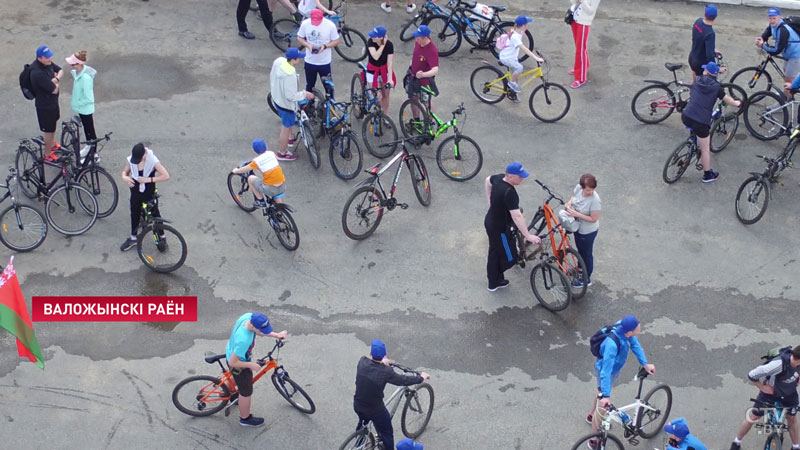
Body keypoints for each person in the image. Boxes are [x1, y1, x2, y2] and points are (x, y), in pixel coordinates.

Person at [587, 315, 655, 448]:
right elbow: (605, 372)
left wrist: (645, 364)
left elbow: (635, 345)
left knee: (599, 392)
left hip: (610, 370)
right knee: (602, 406)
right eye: (637, 330)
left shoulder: (622, 327)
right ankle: (594, 440)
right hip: (607, 372)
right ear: (629, 332)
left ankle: (591, 416)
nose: (639, 331)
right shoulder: (612, 345)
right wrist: (606, 396)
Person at [353, 339, 430, 450]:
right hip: (375, 410)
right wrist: (420, 378)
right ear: (385, 355)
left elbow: (374, 366)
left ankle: (359, 441)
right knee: (387, 433)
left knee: (363, 421)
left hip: (358, 404)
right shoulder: (386, 372)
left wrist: (382, 363)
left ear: (370, 354)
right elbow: (402, 380)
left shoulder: (362, 362)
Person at [729, 345, 800, 450]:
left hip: (789, 393)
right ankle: (737, 442)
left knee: (792, 418)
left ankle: (795, 446)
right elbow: (752, 374)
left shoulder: (797, 363)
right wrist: (762, 388)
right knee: (753, 417)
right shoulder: (778, 365)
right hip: (771, 394)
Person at [483, 162, 541, 292]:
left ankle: (494, 281)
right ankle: (494, 279)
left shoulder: (498, 178)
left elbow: (488, 180)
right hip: (500, 229)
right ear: (510, 176)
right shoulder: (509, 193)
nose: (522, 178)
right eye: (519, 176)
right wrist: (528, 235)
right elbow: (517, 216)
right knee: (510, 257)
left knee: (495, 250)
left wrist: (490, 201)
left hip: (490, 221)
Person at [680, 61, 741, 183]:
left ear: (705, 72)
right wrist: (737, 103)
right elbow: (727, 99)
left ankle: (692, 140)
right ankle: (708, 175)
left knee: (693, 127)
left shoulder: (697, 80)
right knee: (705, 149)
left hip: (686, 115)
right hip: (701, 122)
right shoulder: (717, 88)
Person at [226, 312, 288, 426]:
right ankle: (245, 419)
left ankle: (226, 390)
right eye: (261, 331)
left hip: (231, 351)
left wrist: (276, 335)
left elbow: (262, 331)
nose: (263, 333)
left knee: (238, 378)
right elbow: (233, 362)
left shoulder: (248, 317)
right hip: (236, 362)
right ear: (253, 327)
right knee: (246, 392)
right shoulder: (244, 340)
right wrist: (251, 365)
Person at [119, 144, 171, 251]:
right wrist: (125, 178)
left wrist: (148, 180)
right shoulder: (132, 160)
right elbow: (125, 172)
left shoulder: (153, 161)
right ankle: (133, 238)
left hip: (148, 191)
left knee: (155, 213)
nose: (136, 162)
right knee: (134, 212)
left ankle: (162, 236)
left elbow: (166, 176)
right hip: (135, 191)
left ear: (144, 155)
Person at [270, 48, 316, 161]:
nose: (301, 59)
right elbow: (290, 96)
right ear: (294, 60)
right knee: (286, 127)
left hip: (277, 98)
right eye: (299, 57)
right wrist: (305, 94)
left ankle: (290, 138)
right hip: (286, 106)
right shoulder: (289, 75)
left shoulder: (279, 61)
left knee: (288, 125)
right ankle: (282, 153)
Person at [29, 45, 64, 161]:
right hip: (45, 106)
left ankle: (51, 144)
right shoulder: (37, 73)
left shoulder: (47, 64)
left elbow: (60, 70)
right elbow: (54, 90)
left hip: (52, 103)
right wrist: (56, 82)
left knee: (52, 126)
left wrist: (56, 79)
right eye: (47, 57)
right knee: (49, 130)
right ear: (40, 58)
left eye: (50, 56)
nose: (50, 59)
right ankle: (47, 154)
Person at [498, 15, 544, 102]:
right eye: (527, 24)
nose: (528, 25)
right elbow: (525, 49)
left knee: (517, 76)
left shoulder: (518, 32)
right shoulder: (515, 37)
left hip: (511, 57)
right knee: (519, 68)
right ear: (523, 25)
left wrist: (524, 30)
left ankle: (513, 93)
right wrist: (536, 58)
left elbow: (521, 34)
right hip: (507, 58)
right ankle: (511, 84)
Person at [565, 174, 600, 288]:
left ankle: (586, 278)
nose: (591, 192)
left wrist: (576, 214)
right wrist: (569, 203)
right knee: (581, 251)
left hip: (588, 231)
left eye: (593, 189)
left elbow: (594, 219)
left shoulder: (595, 200)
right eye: (588, 190)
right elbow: (573, 197)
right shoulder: (578, 188)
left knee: (586, 254)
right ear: (582, 187)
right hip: (578, 227)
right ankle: (580, 268)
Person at [756, 8, 800, 98]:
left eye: (774, 18)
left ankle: (786, 101)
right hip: (788, 54)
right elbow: (768, 30)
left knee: (788, 80)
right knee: (786, 72)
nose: (772, 21)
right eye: (770, 18)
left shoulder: (783, 30)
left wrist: (763, 46)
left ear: (779, 17)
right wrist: (762, 38)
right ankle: (790, 91)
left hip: (795, 55)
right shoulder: (775, 24)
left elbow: (777, 50)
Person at [297, 9, 341, 94]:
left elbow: (336, 40)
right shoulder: (305, 24)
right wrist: (308, 45)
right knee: (309, 85)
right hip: (310, 61)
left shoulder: (330, 25)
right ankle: (310, 103)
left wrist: (325, 46)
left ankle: (331, 104)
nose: (315, 23)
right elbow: (299, 37)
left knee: (328, 86)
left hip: (324, 62)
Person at [231, 139, 286, 207]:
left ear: (254, 151)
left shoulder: (256, 162)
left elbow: (244, 169)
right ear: (266, 146)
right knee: (275, 193)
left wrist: (235, 171)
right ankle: (280, 211)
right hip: (282, 186)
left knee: (250, 178)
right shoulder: (271, 153)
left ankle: (260, 201)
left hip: (270, 188)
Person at [66, 51, 97, 145]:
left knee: (90, 132)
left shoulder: (85, 79)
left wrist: (77, 103)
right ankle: (89, 148)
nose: (71, 65)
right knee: (88, 130)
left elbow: (89, 99)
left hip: (85, 109)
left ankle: (93, 153)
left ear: (79, 64)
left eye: (72, 64)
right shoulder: (78, 74)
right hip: (82, 109)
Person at [568, 0, 601, 88]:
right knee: (579, 47)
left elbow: (591, 11)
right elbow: (572, 2)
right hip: (575, 19)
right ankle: (583, 67)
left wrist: (582, 1)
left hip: (584, 22)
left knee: (580, 50)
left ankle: (581, 78)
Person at [366, 26, 396, 114]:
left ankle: (384, 115)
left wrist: (390, 79)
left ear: (381, 37)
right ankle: (378, 111)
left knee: (386, 95)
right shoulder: (370, 42)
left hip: (384, 70)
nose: (372, 37)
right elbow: (375, 56)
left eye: (375, 36)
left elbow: (389, 63)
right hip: (373, 71)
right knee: (378, 96)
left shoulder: (389, 45)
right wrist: (382, 45)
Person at [688, 5, 718, 83]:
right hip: (700, 63)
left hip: (692, 57)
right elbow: (709, 56)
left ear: (705, 14)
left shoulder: (698, 22)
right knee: (702, 87)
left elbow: (699, 39)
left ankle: (693, 87)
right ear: (715, 17)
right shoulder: (710, 34)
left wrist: (712, 49)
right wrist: (715, 68)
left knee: (695, 77)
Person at [409, 25, 438, 100]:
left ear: (425, 38)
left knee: (427, 103)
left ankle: (428, 112)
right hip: (413, 76)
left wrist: (423, 75)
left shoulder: (432, 51)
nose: (415, 39)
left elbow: (435, 69)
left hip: (424, 82)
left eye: (418, 38)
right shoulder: (418, 42)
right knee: (413, 98)